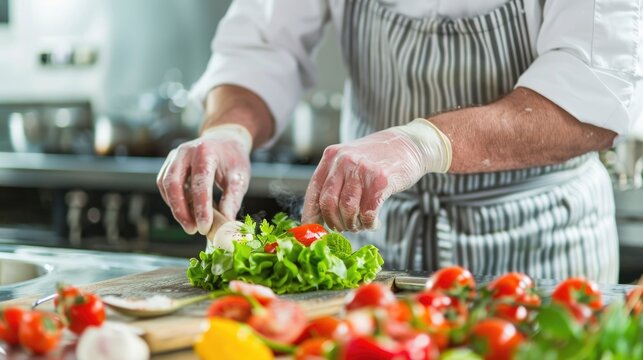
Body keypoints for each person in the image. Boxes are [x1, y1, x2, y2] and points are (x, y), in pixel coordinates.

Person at [157, 0, 643, 283]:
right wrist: (228, 131)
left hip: (542, 251)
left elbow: (591, 93)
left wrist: (420, 144)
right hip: (373, 243)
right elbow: (262, 46)